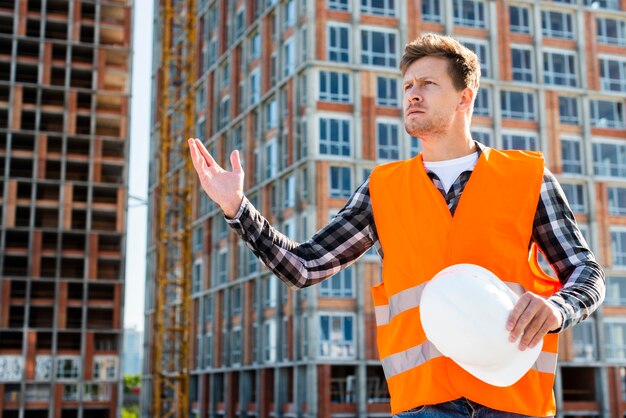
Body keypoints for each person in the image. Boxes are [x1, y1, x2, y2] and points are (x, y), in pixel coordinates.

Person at [188, 33, 605, 417]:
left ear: (465, 96)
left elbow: (586, 273)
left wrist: (558, 308)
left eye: (427, 84)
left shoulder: (527, 178)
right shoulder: (382, 188)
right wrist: (237, 206)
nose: (412, 95)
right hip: (424, 403)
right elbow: (305, 266)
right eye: (407, 86)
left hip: (515, 398)